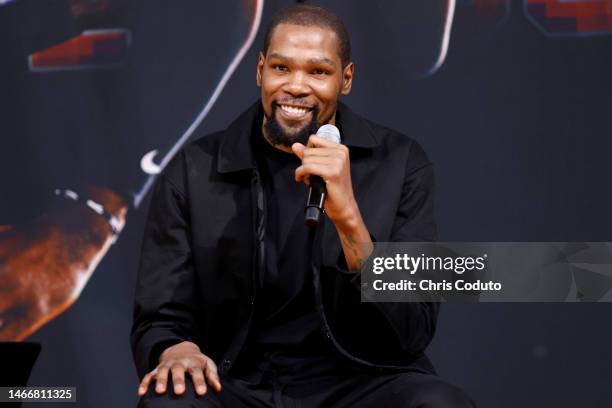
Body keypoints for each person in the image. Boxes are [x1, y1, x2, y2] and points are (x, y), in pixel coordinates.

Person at [131, 5, 475, 407]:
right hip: (238, 382)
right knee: (170, 400)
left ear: (345, 79)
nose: (296, 86)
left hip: (358, 381)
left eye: (317, 72)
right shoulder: (195, 169)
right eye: (281, 68)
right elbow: (161, 315)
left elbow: (414, 328)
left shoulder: (400, 164)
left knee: (437, 403)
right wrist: (176, 350)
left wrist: (348, 220)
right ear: (259, 70)